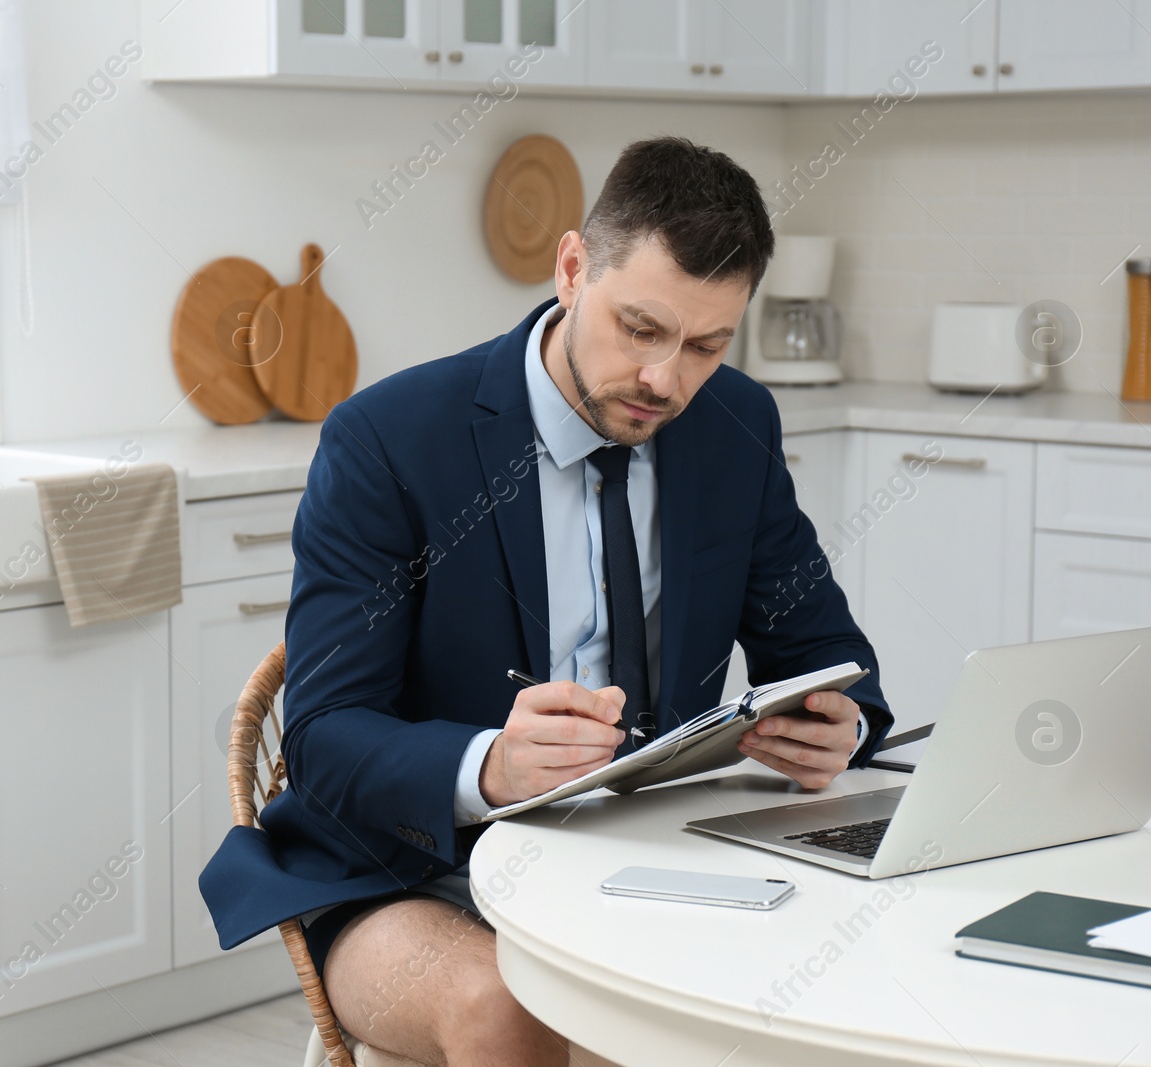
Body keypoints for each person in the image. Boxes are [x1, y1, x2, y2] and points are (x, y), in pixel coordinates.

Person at [201, 136, 893, 1065]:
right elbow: (324, 735)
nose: (667, 379)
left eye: (707, 343)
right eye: (641, 329)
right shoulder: (391, 440)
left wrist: (838, 726)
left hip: (648, 858)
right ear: (572, 268)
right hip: (409, 873)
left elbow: (829, 655)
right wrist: (487, 765)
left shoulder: (734, 425)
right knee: (512, 1007)